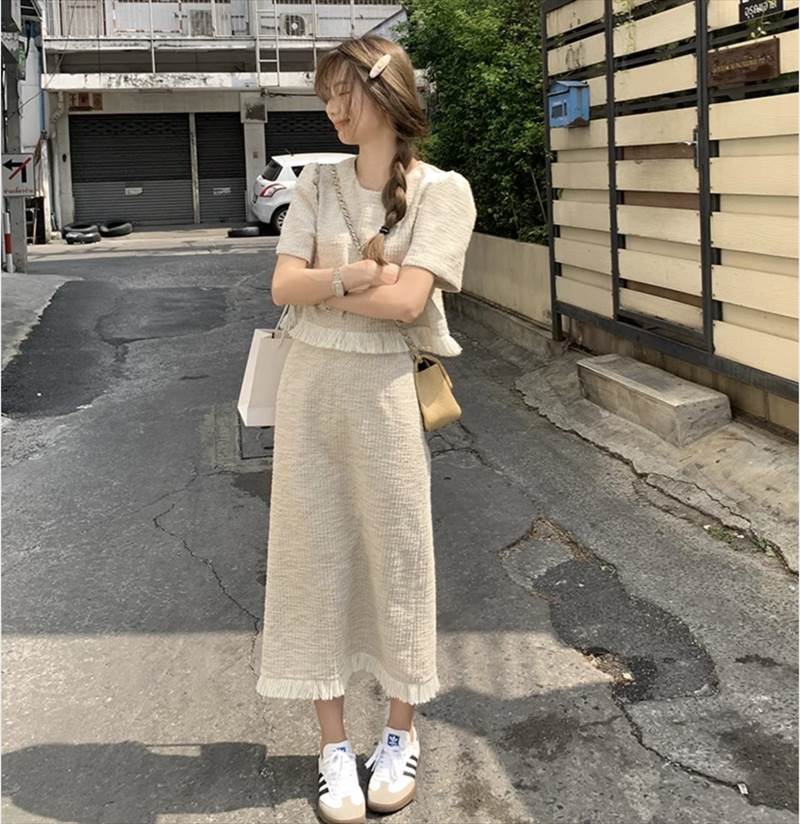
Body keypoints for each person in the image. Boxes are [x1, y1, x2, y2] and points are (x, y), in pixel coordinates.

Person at [255, 34, 477, 824]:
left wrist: (325, 288)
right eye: (324, 99)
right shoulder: (317, 183)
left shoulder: (444, 191)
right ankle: (332, 747)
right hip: (310, 391)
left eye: (341, 93)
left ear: (384, 91)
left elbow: (409, 303)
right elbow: (281, 284)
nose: (332, 110)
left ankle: (398, 735)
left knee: (399, 554)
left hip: (386, 394)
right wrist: (353, 275)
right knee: (310, 555)